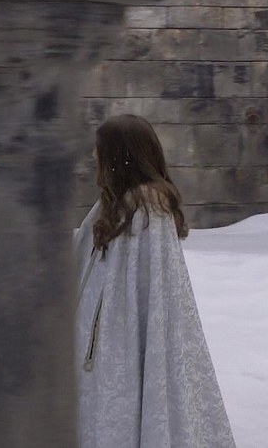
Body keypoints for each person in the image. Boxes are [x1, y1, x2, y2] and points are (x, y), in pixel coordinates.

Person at [73, 114, 236, 447]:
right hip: (99, 351)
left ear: (120, 155)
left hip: (123, 348)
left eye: (100, 150)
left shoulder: (149, 213)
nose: (94, 156)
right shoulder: (111, 205)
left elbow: (155, 298)